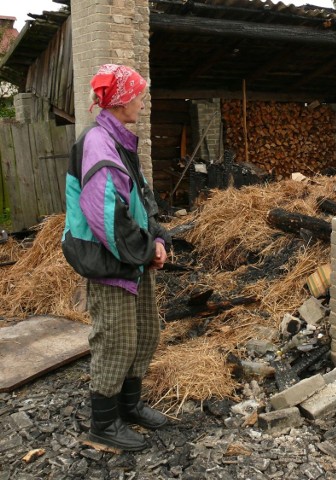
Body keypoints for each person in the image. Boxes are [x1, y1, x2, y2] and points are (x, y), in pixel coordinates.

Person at [62, 64, 171, 451]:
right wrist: (146, 250)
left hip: (132, 259)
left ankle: (130, 407)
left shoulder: (120, 139)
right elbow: (106, 217)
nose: (142, 101)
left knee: (144, 334)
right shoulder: (98, 144)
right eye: (139, 94)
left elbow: (140, 197)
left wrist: (157, 236)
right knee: (116, 341)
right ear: (121, 100)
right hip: (110, 261)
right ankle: (103, 426)